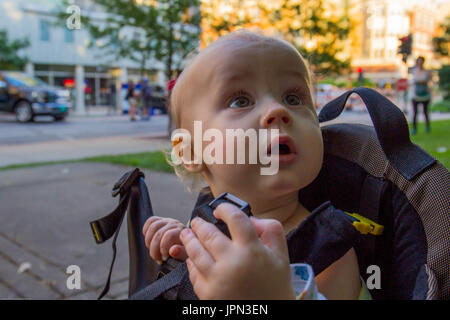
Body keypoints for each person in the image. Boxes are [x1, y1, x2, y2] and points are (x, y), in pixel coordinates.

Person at [142, 30, 368, 300]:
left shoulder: (328, 252)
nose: (277, 110)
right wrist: (188, 245)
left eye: (293, 99)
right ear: (190, 152)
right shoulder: (207, 221)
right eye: (240, 101)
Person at [411, 56, 432, 134]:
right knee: (415, 112)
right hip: (415, 95)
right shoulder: (413, 71)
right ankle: (414, 128)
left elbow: (429, 80)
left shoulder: (427, 72)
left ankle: (427, 127)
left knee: (425, 112)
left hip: (425, 94)